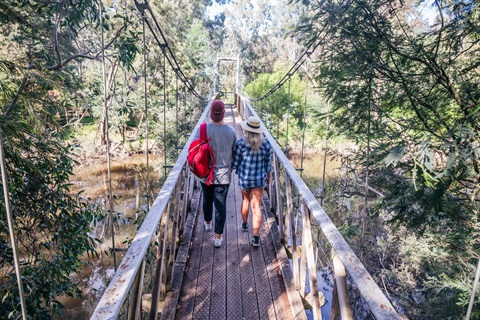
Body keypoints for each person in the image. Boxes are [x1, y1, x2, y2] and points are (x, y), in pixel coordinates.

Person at [194, 99, 236, 247]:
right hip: (224, 176)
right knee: (221, 205)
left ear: (211, 113)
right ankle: (218, 237)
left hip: (205, 173)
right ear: (224, 114)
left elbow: (193, 149)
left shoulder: (202, 129)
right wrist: (231, 165)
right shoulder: (231, 131)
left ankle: (207, 223)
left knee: (207, 199)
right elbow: (235, 153)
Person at [232, 116, 272, 247]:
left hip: (245, 179)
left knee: (245, 201)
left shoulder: (241, 143)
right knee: (256, 207)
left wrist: (235, 169)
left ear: (247, 130)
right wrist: (268, 176)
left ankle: (244, 224)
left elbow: (236, 163)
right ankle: (256, 238)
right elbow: (268, 164)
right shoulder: (266, 144)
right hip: (259, 179)